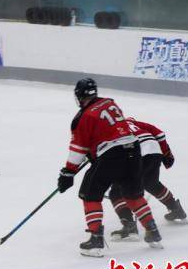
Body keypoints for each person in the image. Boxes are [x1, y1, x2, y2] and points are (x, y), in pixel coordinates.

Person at [57, 78, 162, 257]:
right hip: (133, 150)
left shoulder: (83, 117)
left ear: (79, 96)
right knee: (132, 194)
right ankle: (152, 231)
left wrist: (68, 172)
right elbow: (109, 130)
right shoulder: (110, 103)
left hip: (111, 155)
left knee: (90, 193)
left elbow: (78, 149)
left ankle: (95, 240)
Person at [109, 117, 187, 241]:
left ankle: (129, 227)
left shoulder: (111, 127)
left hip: (137, 152)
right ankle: (176, 209)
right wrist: (166, 152)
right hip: (154, 150)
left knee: (116, 191)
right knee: (152, 183)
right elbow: (159, 133)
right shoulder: (136, 123)